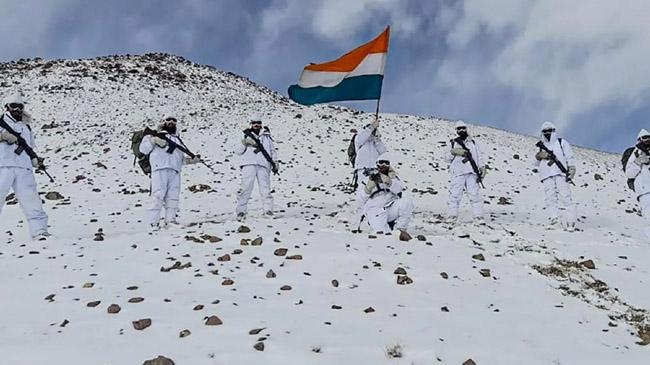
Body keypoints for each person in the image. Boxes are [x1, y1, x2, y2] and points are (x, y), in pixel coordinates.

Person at [0, 93, 50, 240]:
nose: (16, 109)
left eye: (19, 106)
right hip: (3, 165)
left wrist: (35, 161)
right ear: (7, 107)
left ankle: (39, 231)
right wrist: (3, 136)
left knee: (32, 200)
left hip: (23, 167)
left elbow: (29, 148)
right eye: (13, 106)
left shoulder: (26, 127)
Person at [139, 117, 200, 230]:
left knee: (173, 197)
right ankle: (153, 222)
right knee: (158, 196)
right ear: (164, 122)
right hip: (159, 169)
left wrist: (191, 161)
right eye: (168, 120)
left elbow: (179, 158)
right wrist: (153, 140)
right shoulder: (153, 135)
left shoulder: (177, 139)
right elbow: (143, 149)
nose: (171, 123)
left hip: (175, 171)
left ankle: (170, 220)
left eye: (174, 121)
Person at [533, 121, 577, 231]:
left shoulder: (562, 143)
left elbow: (569, 157)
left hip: (560, 173)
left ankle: (570, 221)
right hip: (546, 174)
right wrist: (539, 156)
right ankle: (555, 219)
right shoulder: (541, 146)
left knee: (566, 197)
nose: (547, 133)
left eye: (549, 131)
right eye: (545, 131)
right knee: (550, 199)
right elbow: (534, 162)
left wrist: (571, 168)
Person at [235, 113, 278, 221]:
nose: (256, 125)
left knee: (265, 188)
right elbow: (238, 151)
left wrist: (275, 162)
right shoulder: (245, 134)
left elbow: (272, 150)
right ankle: (241, 211)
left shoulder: (266, 135)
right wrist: (244, 143)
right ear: (251, 124)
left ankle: (268, 210)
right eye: (254, 123)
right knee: (246, 188)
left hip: (263, 164)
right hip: (248, 163)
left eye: (258, 123)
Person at [360, 155, 414, 241]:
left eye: (386, 163)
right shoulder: (368, 178)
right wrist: (368, 188)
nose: (383, 165)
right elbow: (360, 199)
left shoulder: (394, 177)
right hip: (374, 209)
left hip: (390, 206)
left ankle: (401, 230)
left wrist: (389, 182)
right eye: (381, 162)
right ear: (377, 164)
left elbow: (399, 189)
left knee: (407, 202)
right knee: (382, 234)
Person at [445, 121, 487, 225]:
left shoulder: (473, 143)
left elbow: (479, 156)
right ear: (456, 130)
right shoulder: (452, 143)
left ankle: (478, 217)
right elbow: (446, 158)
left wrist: (482, 168)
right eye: (459, 128)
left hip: (471, 172)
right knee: (455, 195)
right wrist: (453, 152)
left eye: (463, 128)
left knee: (475, 195)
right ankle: (452, 216)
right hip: (458, 172)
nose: (461, 130)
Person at [354, 117, 387, 207]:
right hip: (362, 169)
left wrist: (377, 139)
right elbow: (361, 138)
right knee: (363, 188)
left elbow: (383, 152)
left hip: (375, 168)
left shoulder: (375, 142)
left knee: (376, 187)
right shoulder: (359, 139)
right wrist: (372, 127)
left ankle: (375, 205)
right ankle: (363, 206)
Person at [625, 129, 650, 242]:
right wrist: (638, 162)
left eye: (649, 137)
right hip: (645, 190)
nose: (648, 140)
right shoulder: (635, 153)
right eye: (645, 137)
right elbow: (629, 173)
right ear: (639, 139)